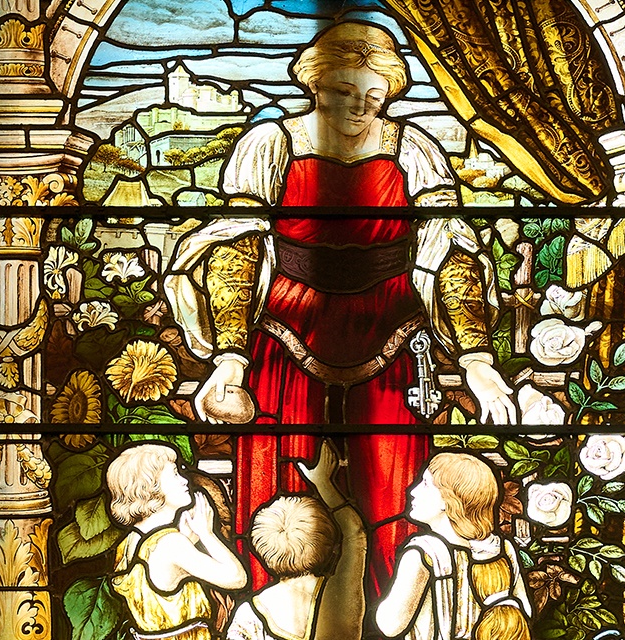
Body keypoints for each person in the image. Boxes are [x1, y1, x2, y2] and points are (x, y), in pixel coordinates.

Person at [164, 20, 516, 592]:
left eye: (374, 96)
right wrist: (229, 358)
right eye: (345, 91)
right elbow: (237, 251)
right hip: (287, 338)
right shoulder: (271, 145)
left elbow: (447, 248)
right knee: (283, 494)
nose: (359, 107)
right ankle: (275, 611)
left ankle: (396, 608)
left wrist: (476, 359)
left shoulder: (412, 149)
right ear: (315, 83)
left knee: (394, 495)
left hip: (393, 339)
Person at [376, 452, 532, 640]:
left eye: (425, 484)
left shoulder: (424, 553)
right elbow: (525, 610)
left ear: (448, 499)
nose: (413, 491)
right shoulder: (503, 549)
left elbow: (390, 626)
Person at [226, 440, 367, 640]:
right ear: (325, 541)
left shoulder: (250, 613)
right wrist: (324, 484)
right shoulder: (338, 595)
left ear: (263, 550)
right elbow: (356, 533)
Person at [108, 444, 248, 640]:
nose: (184, 481)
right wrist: (207, 534)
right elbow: (237, 579)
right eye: (174, 474)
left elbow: (166, 575)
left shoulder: (131, 541)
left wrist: (188, 537)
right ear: (151, 486)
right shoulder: (171, 544)